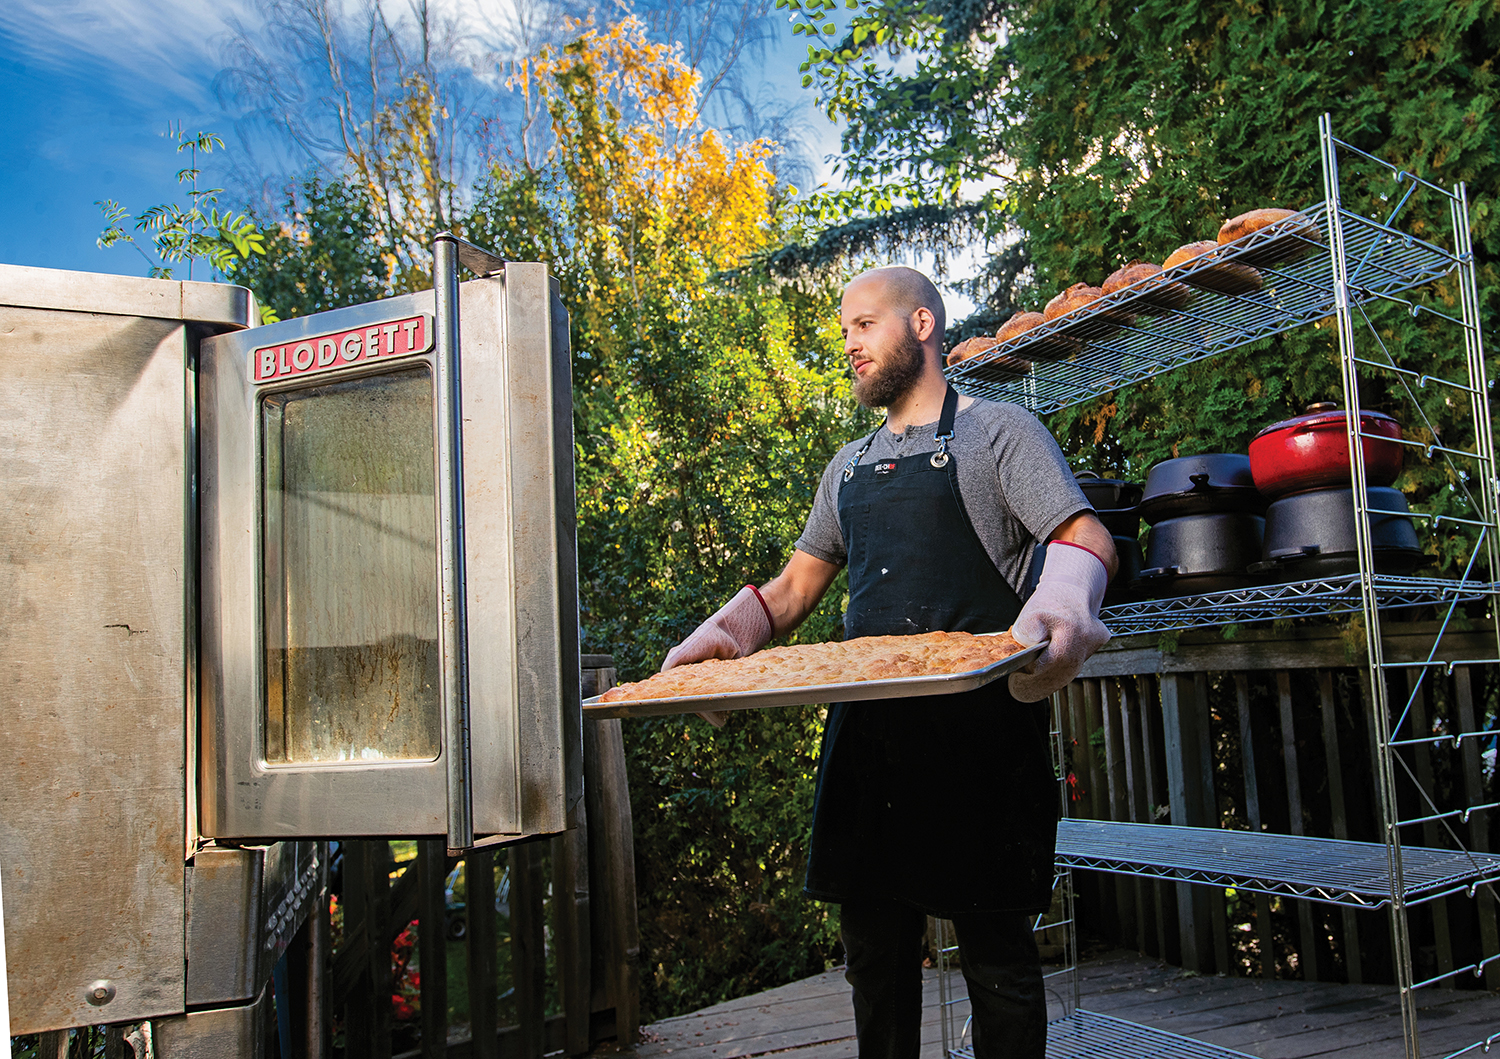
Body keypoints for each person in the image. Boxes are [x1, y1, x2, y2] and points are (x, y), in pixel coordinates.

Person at [661, 265, 1115, 1059]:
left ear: (923, 325)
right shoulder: (846, 465)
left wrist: (1067, 600)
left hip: (980, 744)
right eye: (845, 331)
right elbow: (795, 587)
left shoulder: (997, 433)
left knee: (999, 965)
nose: (849, 345)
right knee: (874, 964)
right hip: (869, 751)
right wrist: (722, 639)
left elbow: (1085, 537)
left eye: (864, 325)